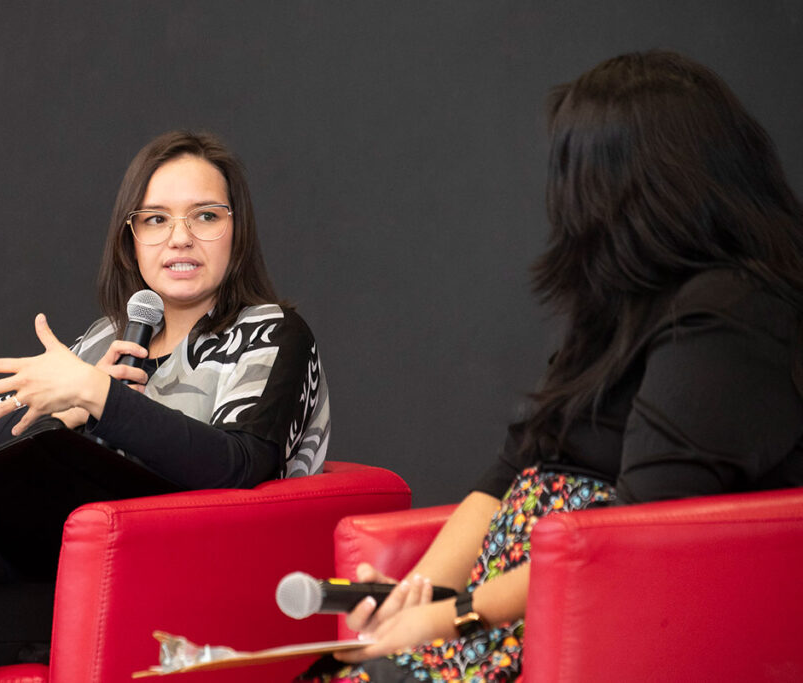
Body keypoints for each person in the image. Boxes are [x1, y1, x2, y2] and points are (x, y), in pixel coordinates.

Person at [299, 50, 803, 683]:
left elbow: (639, 533)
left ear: (634, 185)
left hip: (576, 630)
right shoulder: (620, 303)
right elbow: (513, 467)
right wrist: (418, 596)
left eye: (575, 173)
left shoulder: (730, 313)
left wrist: (454, 616)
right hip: (498, 622)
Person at [0, 130, 330, 683]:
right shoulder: (102, 340)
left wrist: (102, 399)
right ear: (130, 238)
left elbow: (240, 464)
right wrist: (66, 415)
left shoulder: (273, 335)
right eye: (156, 219)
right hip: (59, 568)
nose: (180, 238)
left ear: (237, 230)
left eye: (205, 216)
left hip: (174, 583)